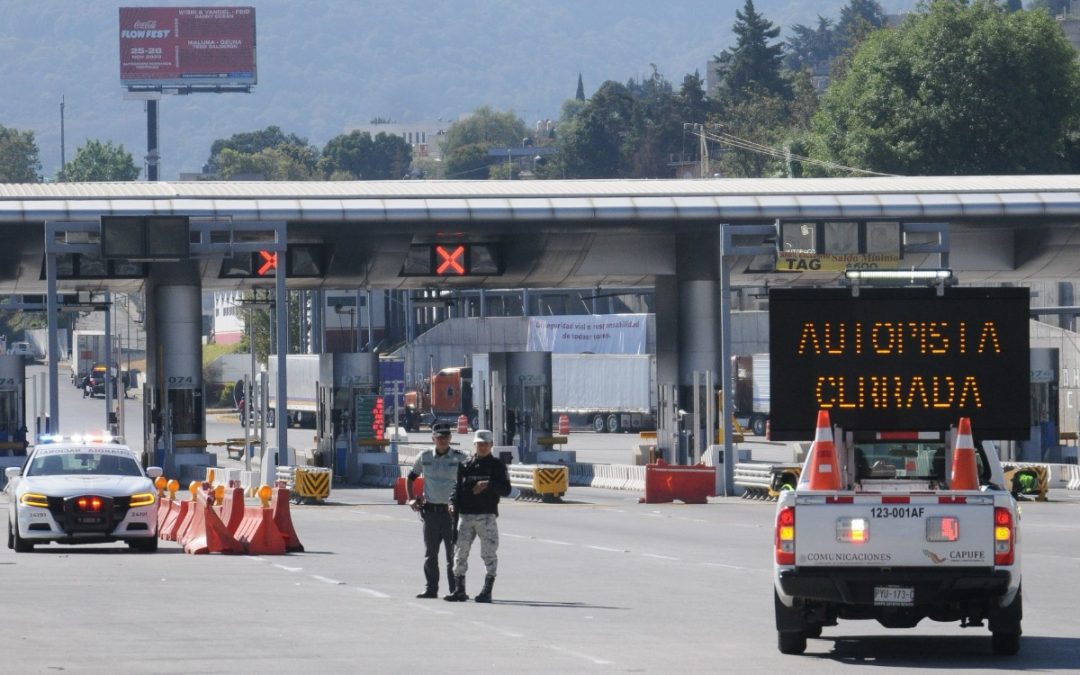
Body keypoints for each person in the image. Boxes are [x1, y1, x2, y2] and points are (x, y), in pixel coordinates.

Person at [446, 429, 512, 603]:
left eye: (485, 444)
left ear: (491, 445)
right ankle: (459, 590)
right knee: (460, 553)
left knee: (488, 553)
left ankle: (487, 591)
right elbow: (456, 488)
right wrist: (452, 503)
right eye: (479, 444)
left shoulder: (497, 466)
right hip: (466, 516)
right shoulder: (465, 464)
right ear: (474, 445)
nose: (482, 447)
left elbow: (506, 490)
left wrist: (488, 484)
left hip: (486, 516)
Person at [406, 421, 466, 599]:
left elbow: (468, 481)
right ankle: (431, 589)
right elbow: (410, 478)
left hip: (452, 514)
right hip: (431, 513)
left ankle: (455, 589)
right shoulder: (424, 457)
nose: (443, 440)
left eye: (446, 437)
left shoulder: (459, 457)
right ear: (433, 438)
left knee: (452, 555)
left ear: (450, 438)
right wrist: (410, 499)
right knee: (430, 554)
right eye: (439, 437)